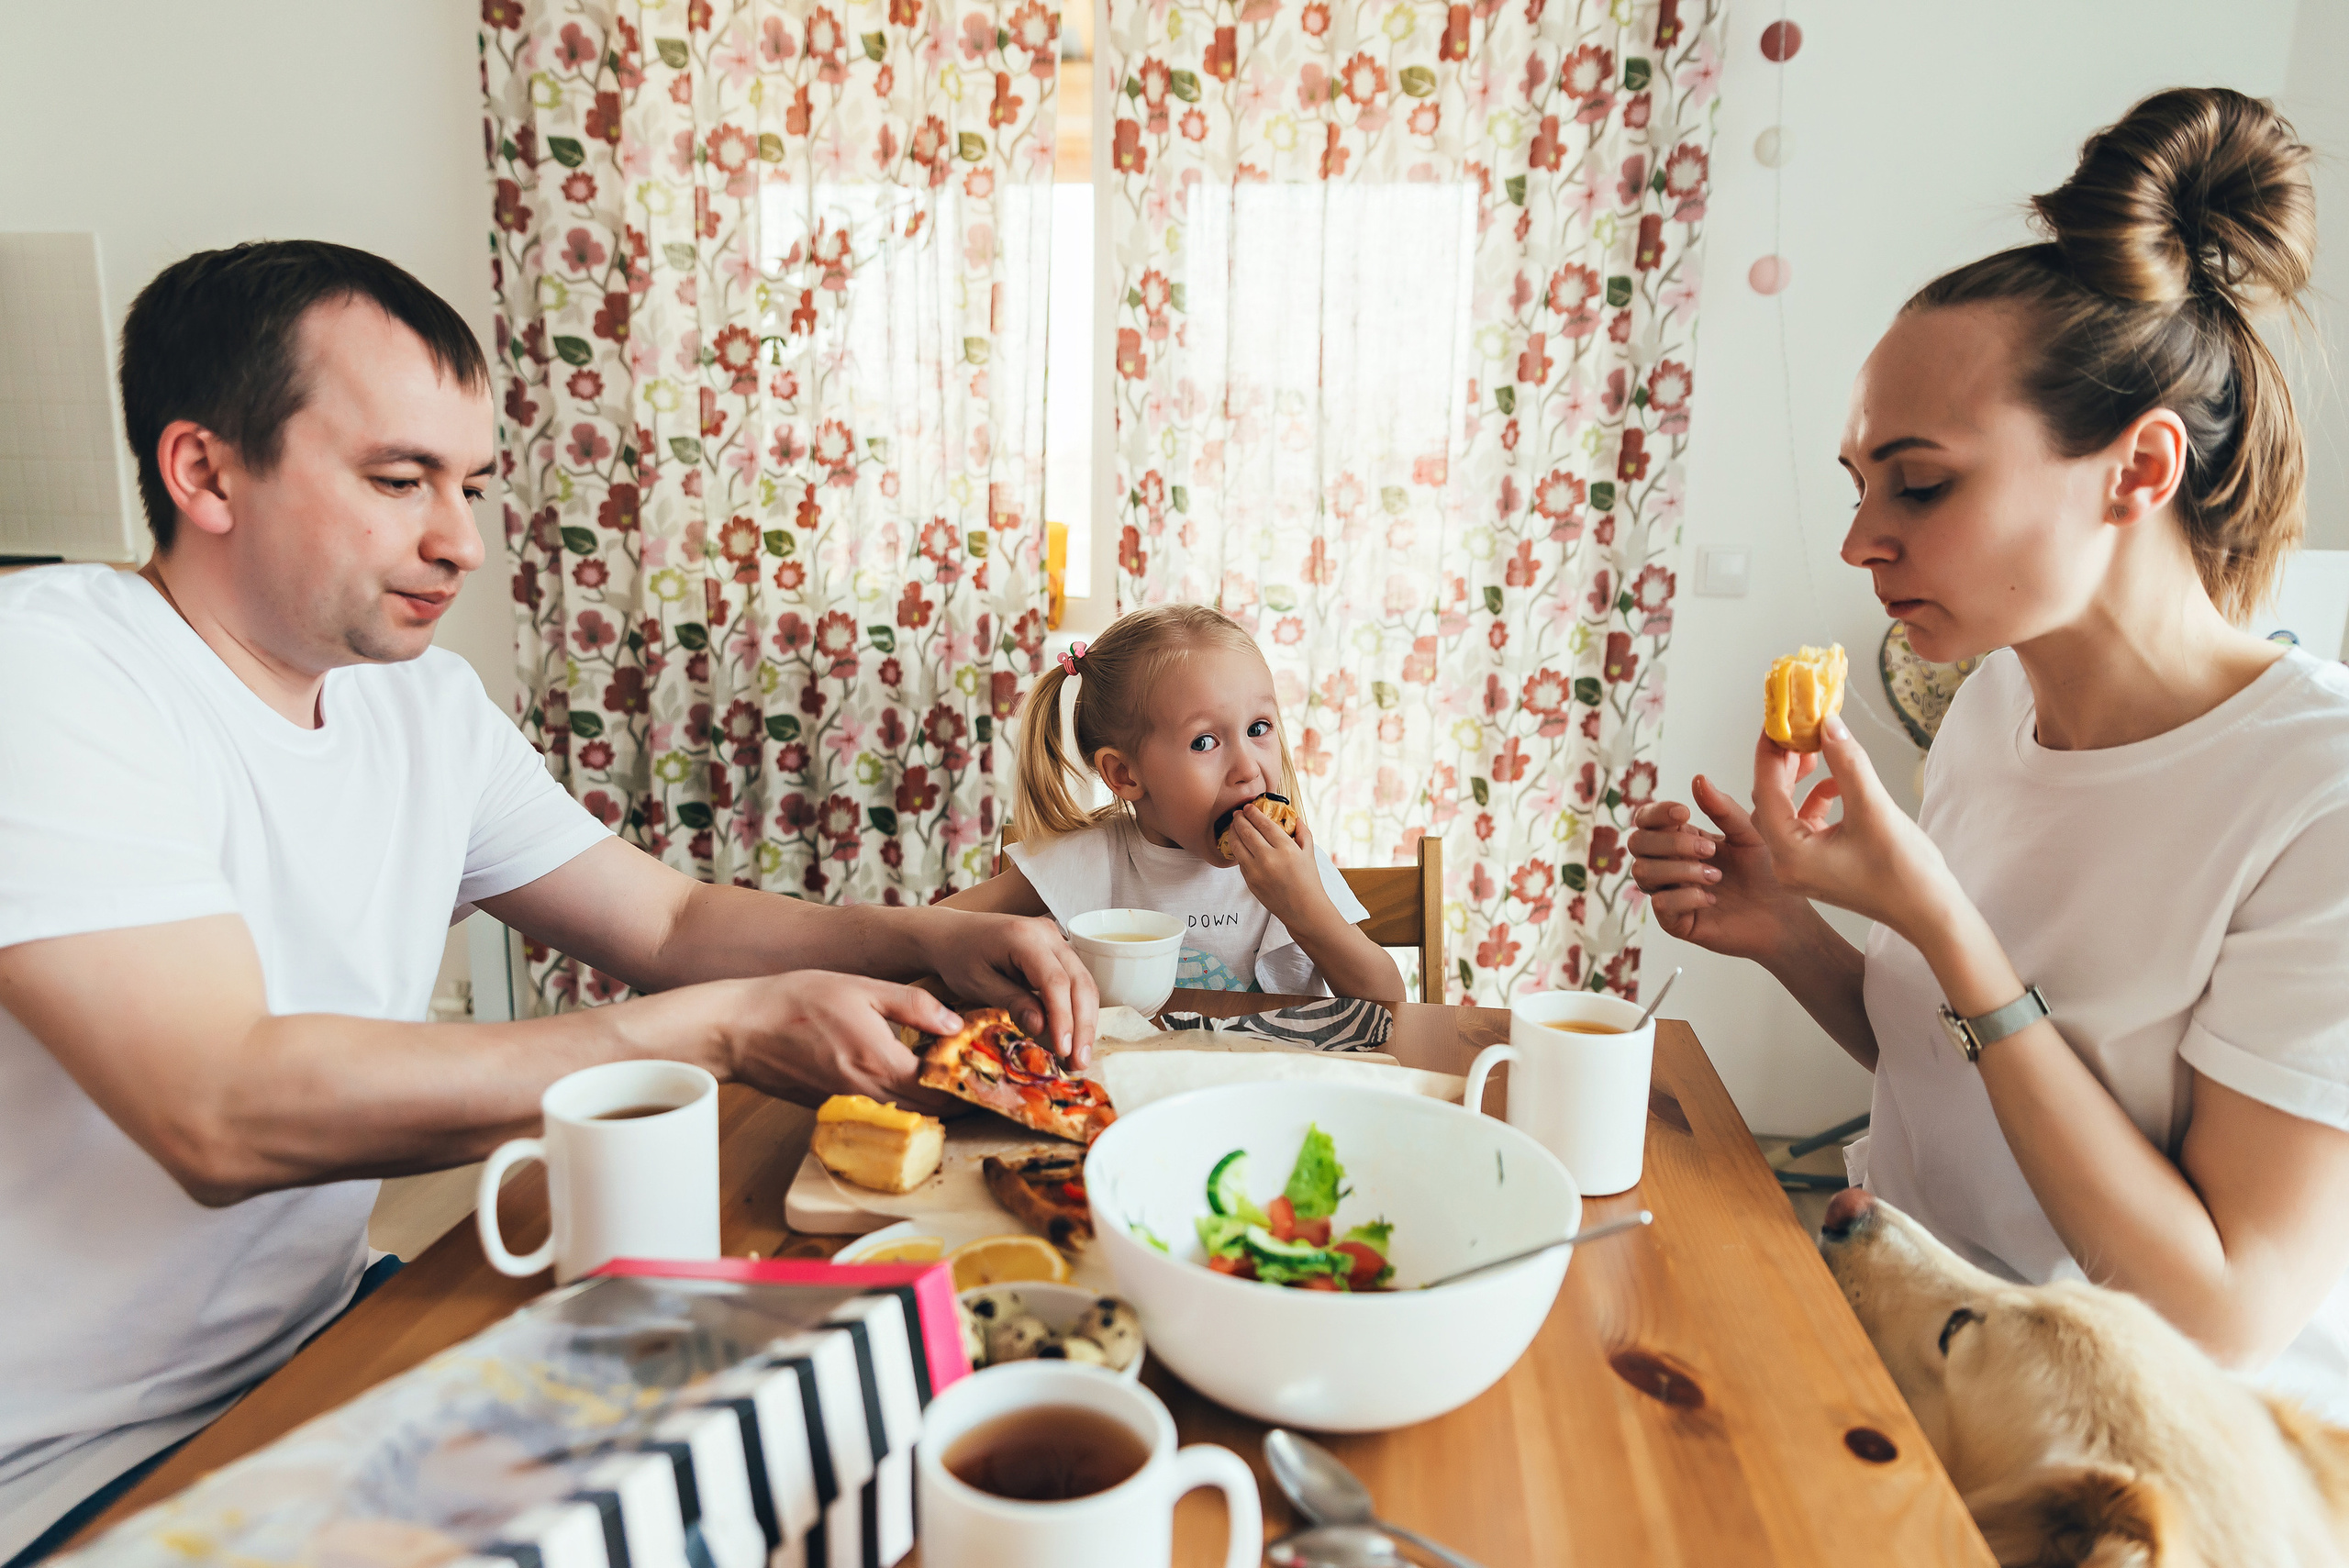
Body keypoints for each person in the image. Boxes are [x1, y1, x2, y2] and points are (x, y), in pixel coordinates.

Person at [0, 240, 1097, 1562]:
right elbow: (218, 1106)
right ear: (204, 471)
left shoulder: (423, 706)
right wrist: (724, 1028)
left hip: (329, 1341)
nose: (459, 540)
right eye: (399, 479)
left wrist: (923, 934)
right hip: (71, 1457)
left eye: (469, 484)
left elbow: (672, 926)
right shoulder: (50, 668)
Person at [1631, 87, 2349, 1417]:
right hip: (1909, 1342)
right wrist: (1794, 929)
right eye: (1859, 483)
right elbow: (1953, 1069)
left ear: (2139, 472)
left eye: (1923, 481)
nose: (1860, 543)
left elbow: (2226, 1310)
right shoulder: (1991, 707)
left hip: (2133, 1460)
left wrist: (1940, 918)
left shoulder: (2320, 796)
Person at [946, 605, 1405, 1006]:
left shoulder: (1294, 866)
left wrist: (1309, 914)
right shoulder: (1092, 860)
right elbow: (933, 932)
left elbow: (1390, 1001)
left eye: (1259, 728)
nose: (1247, 767)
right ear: (1125, 775)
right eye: (1205, 741)